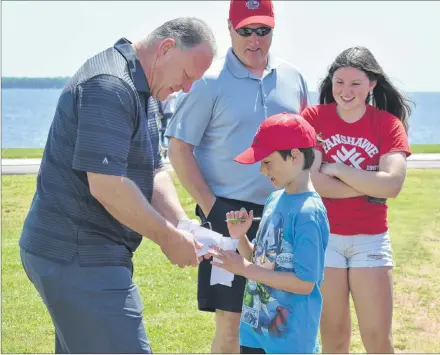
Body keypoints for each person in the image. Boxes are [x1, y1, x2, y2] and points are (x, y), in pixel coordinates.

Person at [19, 17, 216, 354]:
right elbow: (108, 186)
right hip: (77, 254)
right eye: (186, 77)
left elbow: (152, 172)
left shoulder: (146, 90)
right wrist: (168, 239)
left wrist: (183, 225)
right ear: (166, 48)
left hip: (90, 255)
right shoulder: (110, 85)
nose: (187, 89)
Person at [166, 1, 309, 352]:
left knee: (277, 319)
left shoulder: (293, 77)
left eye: (263, 30)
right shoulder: (208, 82)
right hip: (225, 216)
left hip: (283, 213)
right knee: (232, 322)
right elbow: (179, 149)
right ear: (230, 28)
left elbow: (307, 146)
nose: (255, 39)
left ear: (273, 30)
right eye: (246, 30)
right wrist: (211, 206)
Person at [301, 46, 412, 353]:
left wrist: (338, 169)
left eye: (355, 84)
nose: (345, 91)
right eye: (339, 83)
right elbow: (312, 181)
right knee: (334, 340)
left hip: (371, 241)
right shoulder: (313, 118)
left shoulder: (388, 125)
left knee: (378, 340)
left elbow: (392, 184)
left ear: (371, 85)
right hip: (325, 238)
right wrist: (370, 184)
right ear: (330, 82)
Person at [207, 112, 329, 354]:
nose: (262, 170)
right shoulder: (275, 198)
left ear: (294, 155)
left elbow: (305, 283)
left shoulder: (309, 213)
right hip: (256, 332)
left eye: (267, 161)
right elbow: (261, 262)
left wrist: (243, 268)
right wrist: (240, 237)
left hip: (290, 342)